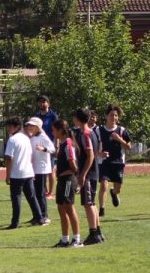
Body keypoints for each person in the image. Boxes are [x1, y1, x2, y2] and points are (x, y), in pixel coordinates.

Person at [3, 116, 44, 229]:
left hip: (17, 173)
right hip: (28, 172)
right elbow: (30, 155)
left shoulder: (12, 139)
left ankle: (15, 223)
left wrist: (7, 175)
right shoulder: (26, 138)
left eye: (10, 126)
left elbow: (9, 158)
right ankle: (40, 218)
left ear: (17, 127)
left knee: (16, 198)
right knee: (31, 197)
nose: (8, 128)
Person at [71, 108, 103, 245]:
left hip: (89, 173)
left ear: (78, 119)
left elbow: (90, 155)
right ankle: (98, 232)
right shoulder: (91, 132)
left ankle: (93, 233)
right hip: (92, 172)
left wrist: (83, 174)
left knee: (88, 203)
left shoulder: (85, 134)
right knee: (92, 203)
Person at [51, 119, 82, 247]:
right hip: (62, 180)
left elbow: (73, 165)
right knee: (61, 208)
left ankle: (77, 239)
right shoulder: (62, 143)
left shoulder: (68, 144)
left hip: (68, 179)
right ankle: (65, 239)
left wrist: (75, 178)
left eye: (53, 129)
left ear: (60, 130)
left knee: (69, 207)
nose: (52, 132)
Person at [98, 105, 132, 216]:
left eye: (116, 115)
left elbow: (128, 147)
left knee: (118, 189)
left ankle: (113, 192)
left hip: (118, 163)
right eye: (111, 115)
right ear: (106, 116)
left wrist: (119, 139)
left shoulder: (121, 130)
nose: (113, 117)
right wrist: (100, 154)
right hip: (104, 162)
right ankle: (101, 209)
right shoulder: (99, 130)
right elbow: (93, 148)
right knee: (103, 185)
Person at [25, 116, 54, 224]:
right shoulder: (31, 137)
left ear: (37, 127)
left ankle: (44, 215)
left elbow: (52, 149)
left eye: (32, 125)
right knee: (35, 193)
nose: (29, 127)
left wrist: (44, 149)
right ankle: (37, 215)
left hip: (41, 168)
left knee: (40, 193)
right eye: (29, 125)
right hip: (33, 169)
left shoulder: (43, 136)